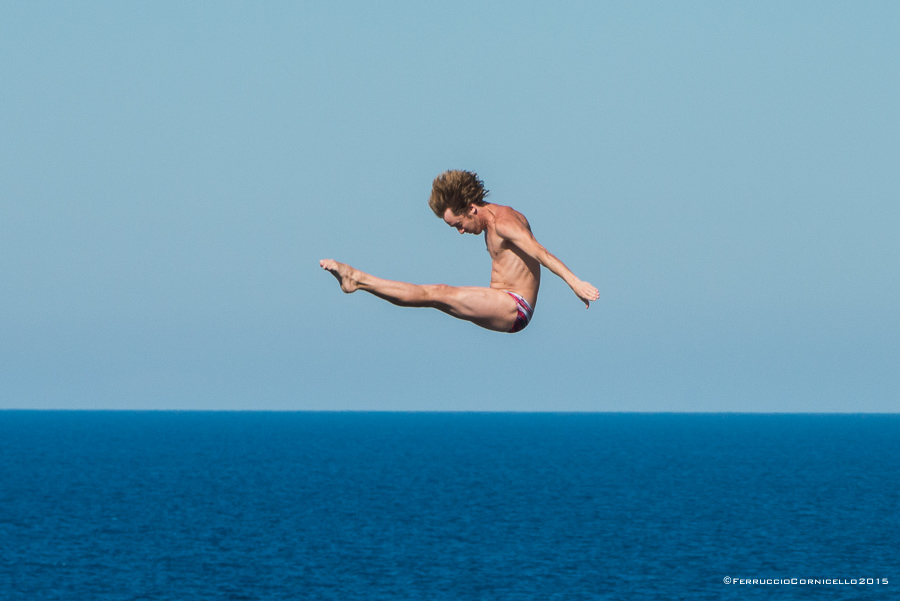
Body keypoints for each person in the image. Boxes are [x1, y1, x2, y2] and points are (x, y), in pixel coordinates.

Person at [320, 170, 600, 333]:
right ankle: (358, 282)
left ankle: (356, 279)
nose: (461, 232)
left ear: (471, 208)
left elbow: (540, 253)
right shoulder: (489, 219)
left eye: (459, 225)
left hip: (515, 307)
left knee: (437, 293)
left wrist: (575, 283)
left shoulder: (504, 223)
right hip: (501, 301)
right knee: (434, 298)